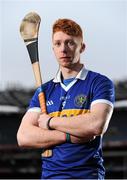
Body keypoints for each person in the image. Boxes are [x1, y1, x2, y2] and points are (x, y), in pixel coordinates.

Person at [17, 18, 115, 179]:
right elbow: (23, 136)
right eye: (58, 44)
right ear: (53, 48)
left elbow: (96, 125)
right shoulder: (45, 90)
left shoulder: (99, 83)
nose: (63, 49)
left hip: (87, 175)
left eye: (70, 43)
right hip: (50, 176)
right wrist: (69, 135)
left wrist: (50, 122)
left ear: (81, 47)